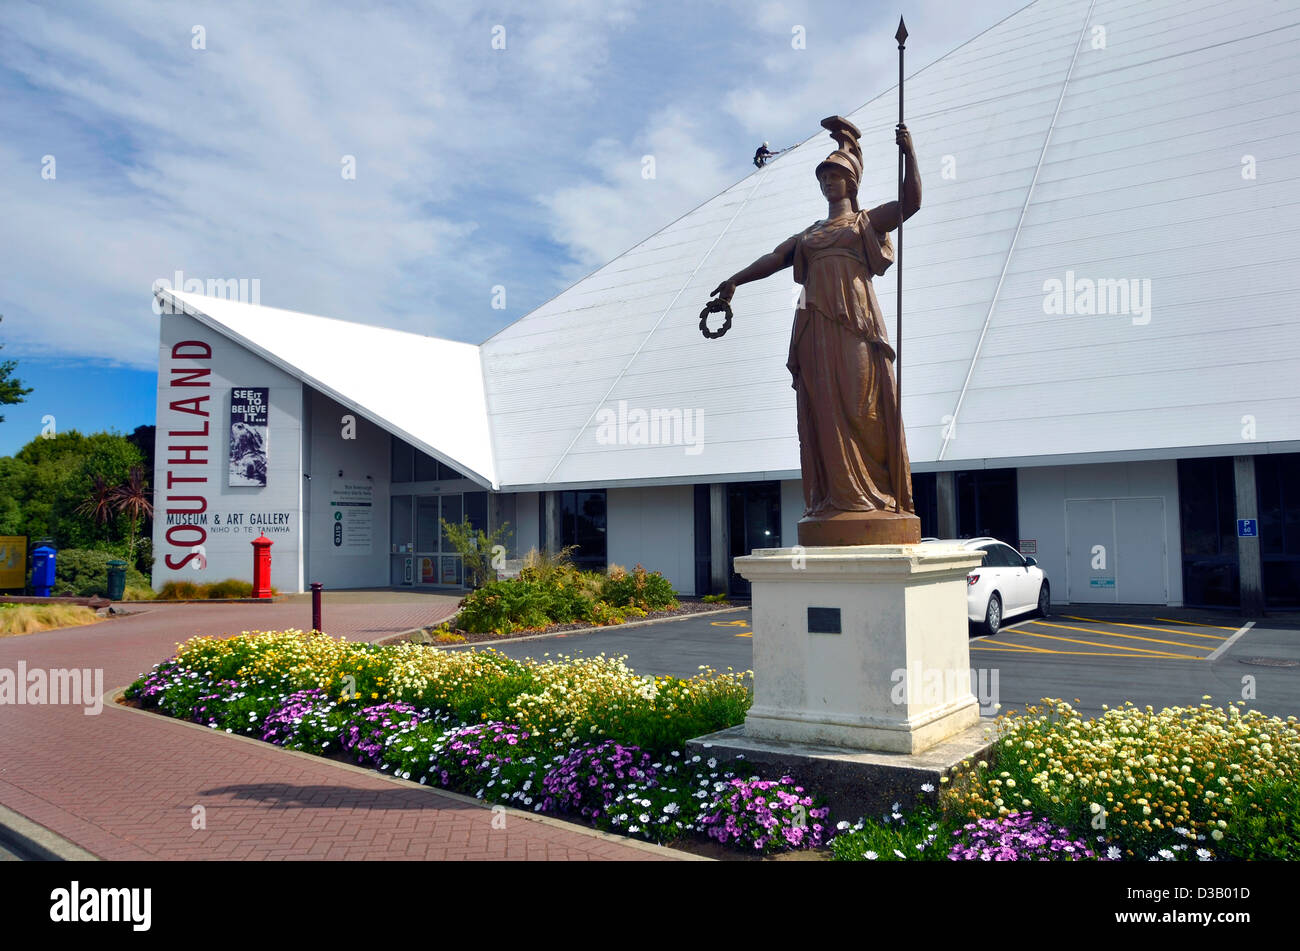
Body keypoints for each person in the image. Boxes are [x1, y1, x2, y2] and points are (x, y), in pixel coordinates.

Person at [710, 116, 922, 544]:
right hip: (812, 326)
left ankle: (878, 498)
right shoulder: (809, 234)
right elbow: (774, 258)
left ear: (852, 181)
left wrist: (909, 153)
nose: (829, 183)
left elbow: (910, 204)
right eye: (824, 177)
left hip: (856, 324)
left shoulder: (864, 223)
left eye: (837, 175)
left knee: (865, 408)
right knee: (823, 409)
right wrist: (734, 281)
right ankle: (833, 500)